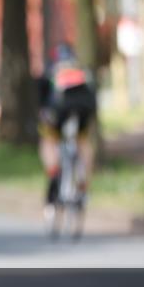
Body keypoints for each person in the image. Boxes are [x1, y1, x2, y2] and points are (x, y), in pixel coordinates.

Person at [37, 42, 97, 213]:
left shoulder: (51, 70)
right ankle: (83, 184)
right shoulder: (82, 71)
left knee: (48, 141)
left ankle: (54, 171)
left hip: (58, 112)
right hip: (82, 112)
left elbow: (41, 98)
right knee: (83, 143)